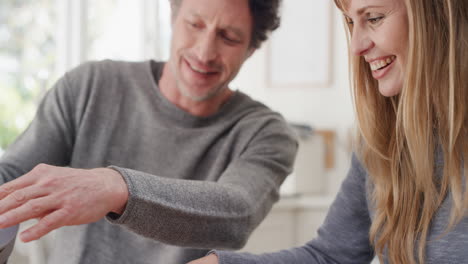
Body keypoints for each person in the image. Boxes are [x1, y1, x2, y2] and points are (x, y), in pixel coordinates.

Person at [0, 0, 298, 263]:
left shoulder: (266, 133)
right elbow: (11, 178)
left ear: (251, 49)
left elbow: (238, 212)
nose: (205, 52)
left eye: (229, 37)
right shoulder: (90, 87)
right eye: (194, 24)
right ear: (173, 14)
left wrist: (117, 188)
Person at [189, 0, 468, 263]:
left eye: (374, 18)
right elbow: (331, 257)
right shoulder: (381, 143)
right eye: (350, 22)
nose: (356, 46)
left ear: (439, 16)